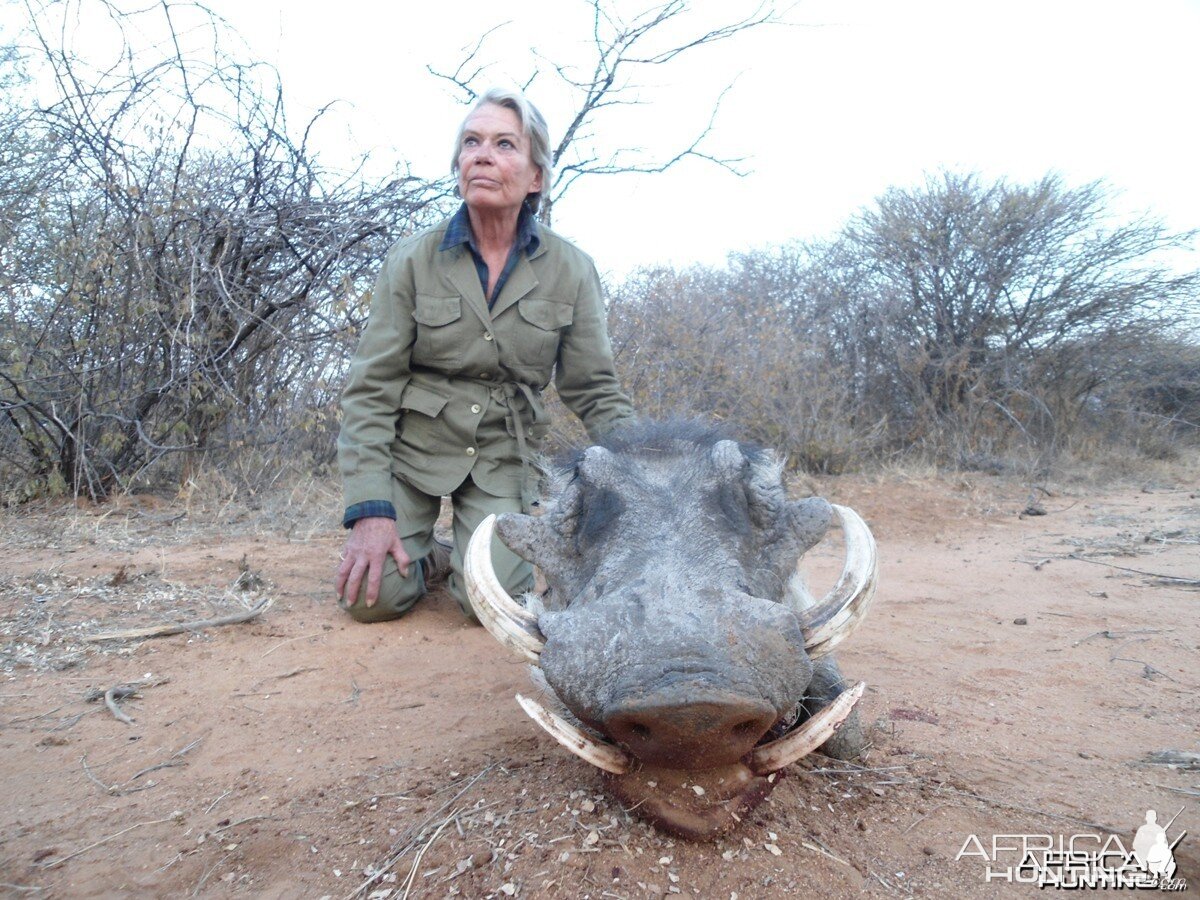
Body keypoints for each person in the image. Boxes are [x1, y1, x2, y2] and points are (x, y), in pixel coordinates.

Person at [335, 87, 635, 623]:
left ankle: (461, 557)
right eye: (471, 142)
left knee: (489, 606)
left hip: (502, 453)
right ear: (457, 163)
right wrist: (370, 511)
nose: (482, 155)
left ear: (535, 176)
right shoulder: (411, 260)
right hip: (414, 451)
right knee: (370, 602)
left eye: (503, 144)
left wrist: (646, 465)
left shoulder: (572, 269)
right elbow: (370, 389)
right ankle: (424, 556)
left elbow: (593, 388)